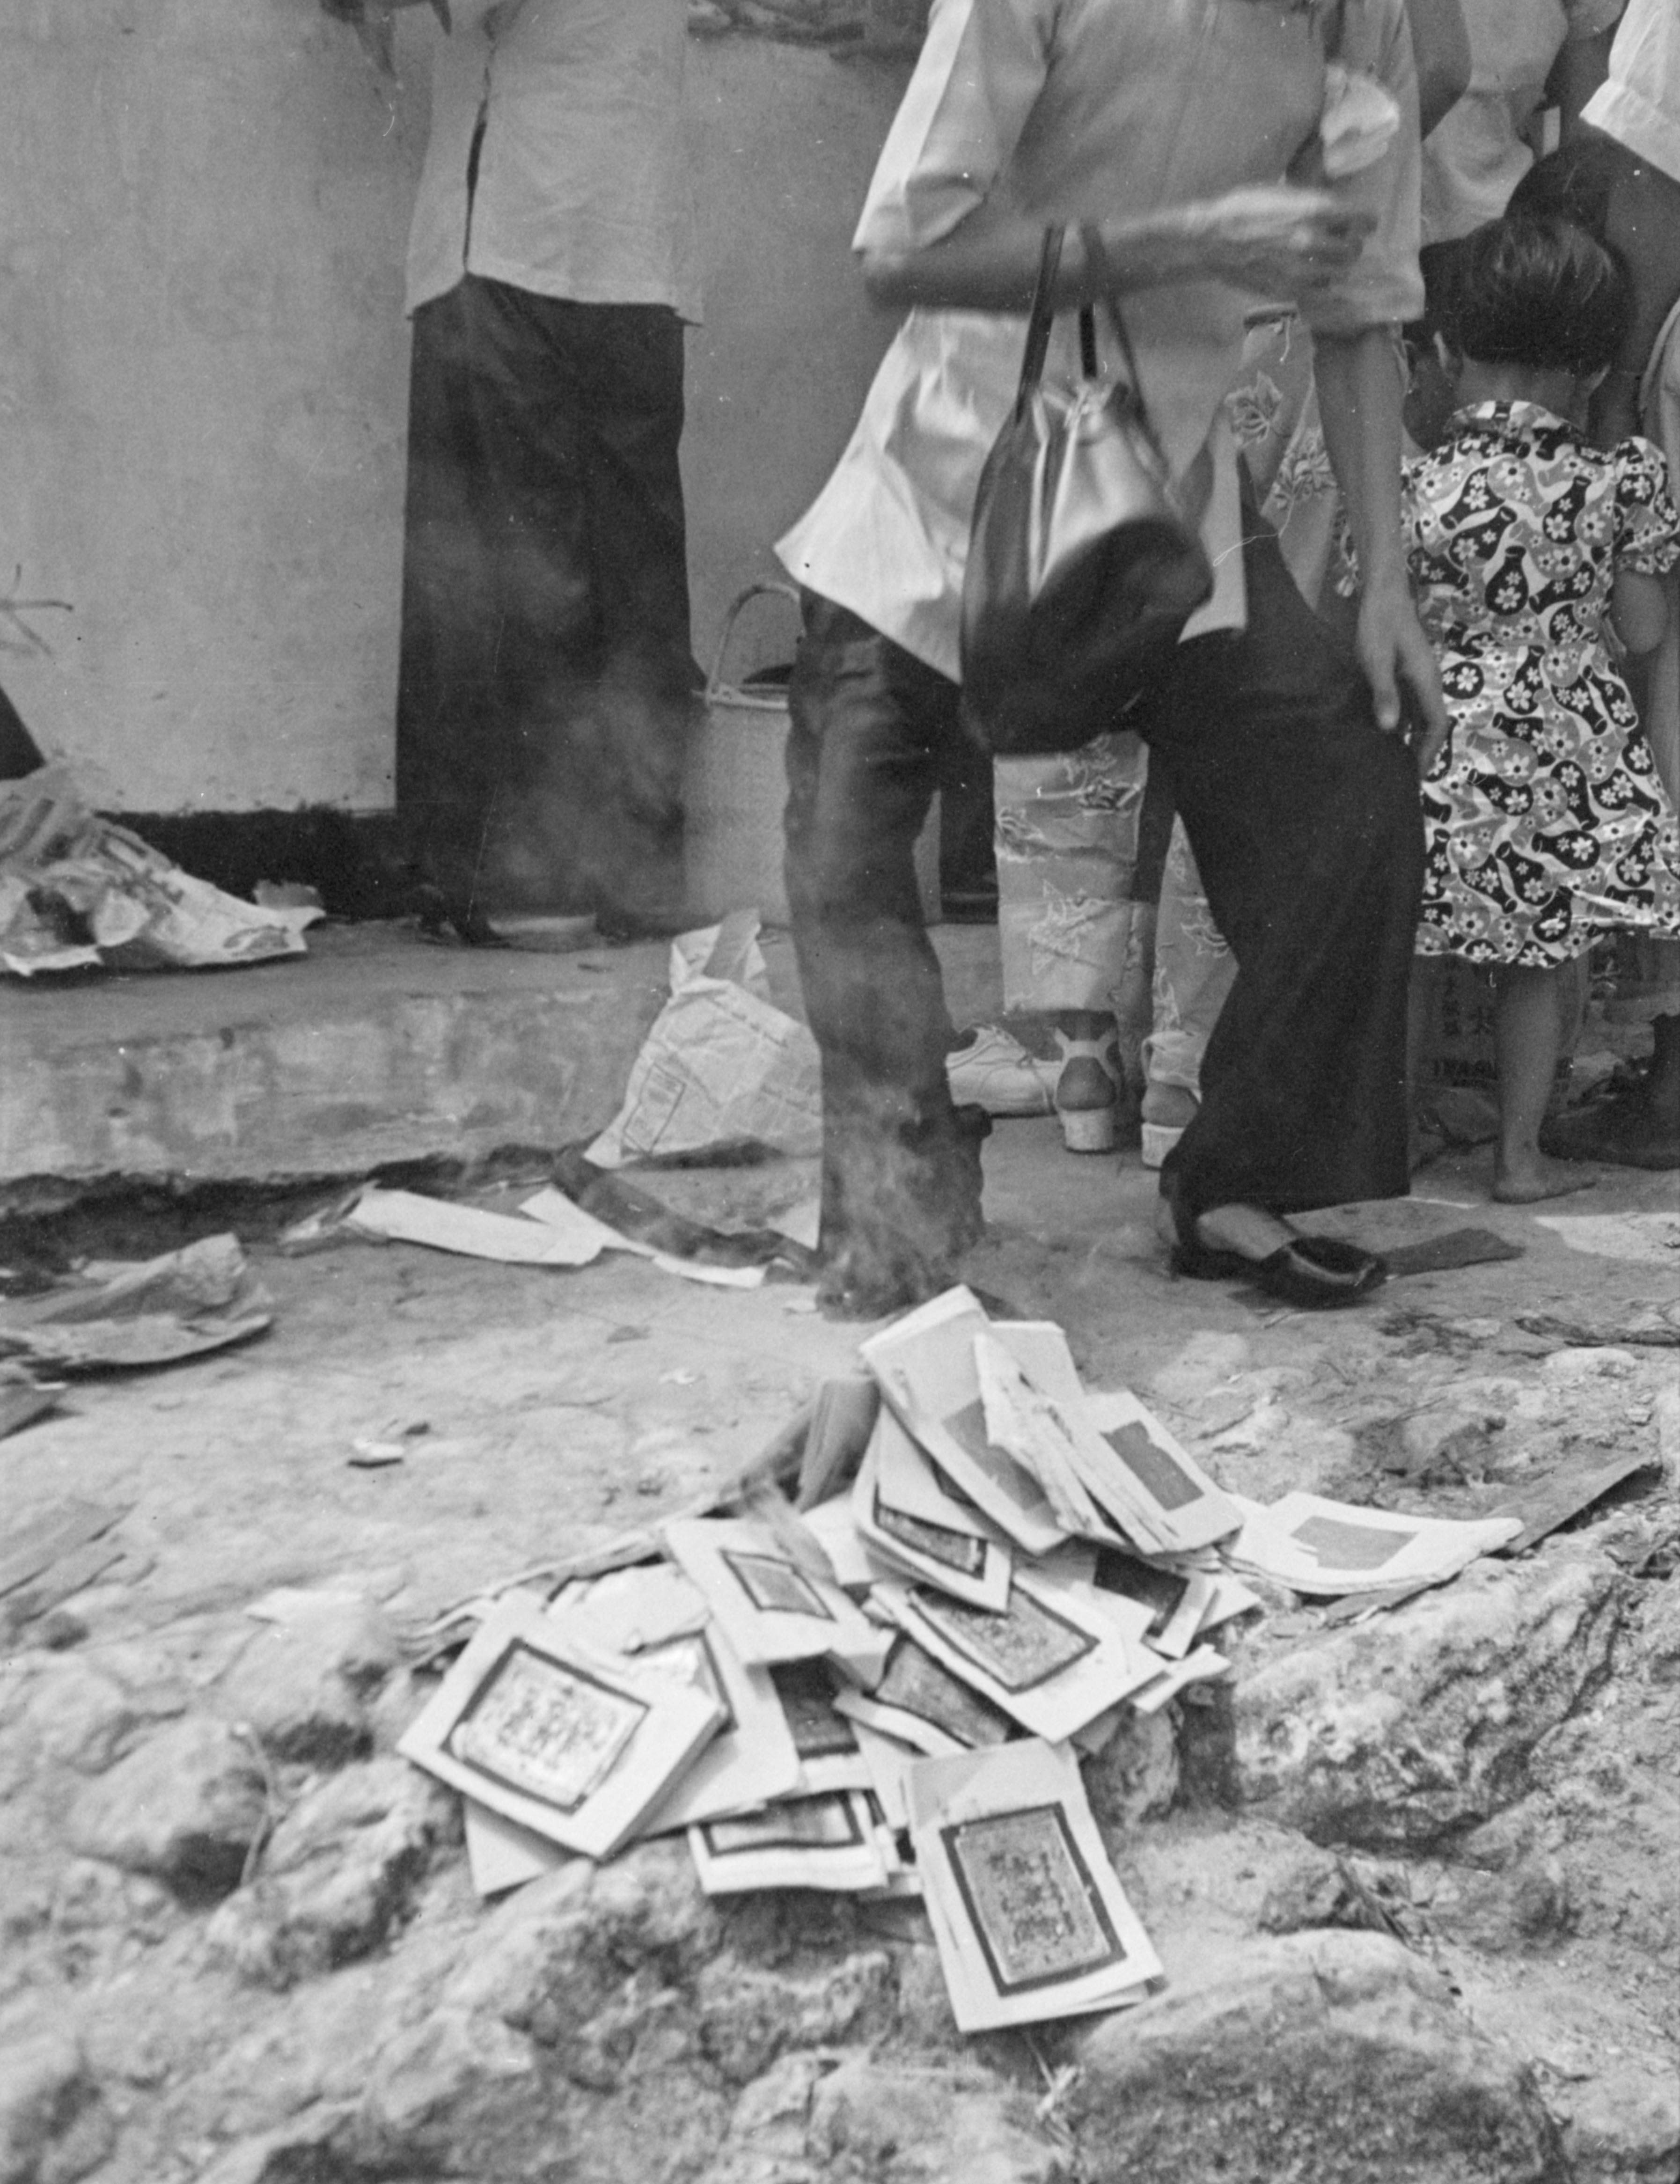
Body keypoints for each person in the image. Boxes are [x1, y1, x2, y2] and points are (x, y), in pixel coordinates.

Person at [776, 0, 1448, 1319]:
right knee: (844, 840)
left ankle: (1233, 1176)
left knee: (1348, 784)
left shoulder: (1360, 20)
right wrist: (1186, 242)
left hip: (1166, 507)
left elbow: (1359, 311)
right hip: (949, 480)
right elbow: (898, 248)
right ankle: (902, 1204)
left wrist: (1386, 585)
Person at [383, 0, 699, 941]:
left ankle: (517, 879)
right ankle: (633, 873)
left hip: (522, 231)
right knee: (632, 567)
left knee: (500, 562)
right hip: (633, 240)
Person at [1402, 213, 1680, 1200]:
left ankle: (1390, 1137)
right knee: (1535, 958)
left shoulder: (1413, 485)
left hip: (1436, 741)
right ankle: (1518, 1159)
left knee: (1413, 949)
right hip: (1561, 756)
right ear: (1597, 371)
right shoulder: (1618, 481)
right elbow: (1641, 631)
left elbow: (1379, 614)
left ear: (1448, 352)